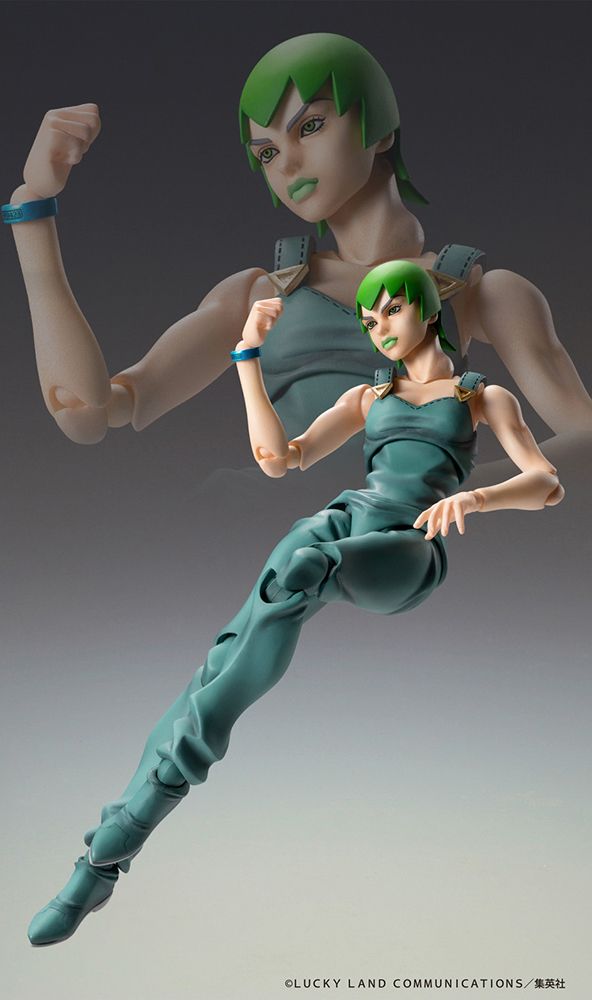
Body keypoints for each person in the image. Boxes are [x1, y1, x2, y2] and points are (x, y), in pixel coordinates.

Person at [26, 261, 563, 946]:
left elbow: (545, 482)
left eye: (392, 311)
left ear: (428, 309)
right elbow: (278, 457)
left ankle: (112, 846)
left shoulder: (480, 395)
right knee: (222, 659)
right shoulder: (368, 396)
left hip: (409, 544)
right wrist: (247, 356)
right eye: (368, 320)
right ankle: (104, 857)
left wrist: (477, 498)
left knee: (305, 567)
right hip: (343, 520)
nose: (380, 329)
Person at [4, 33, 591, 464]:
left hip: (399, 546)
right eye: (266, 152)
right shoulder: (259, 294)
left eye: (309, 127)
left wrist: (461, 494)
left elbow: (585, 438)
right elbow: (93, 412)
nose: (286, 164)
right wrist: (32, 210)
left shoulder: (480, 291)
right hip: (268, 533)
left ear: (381, 129)